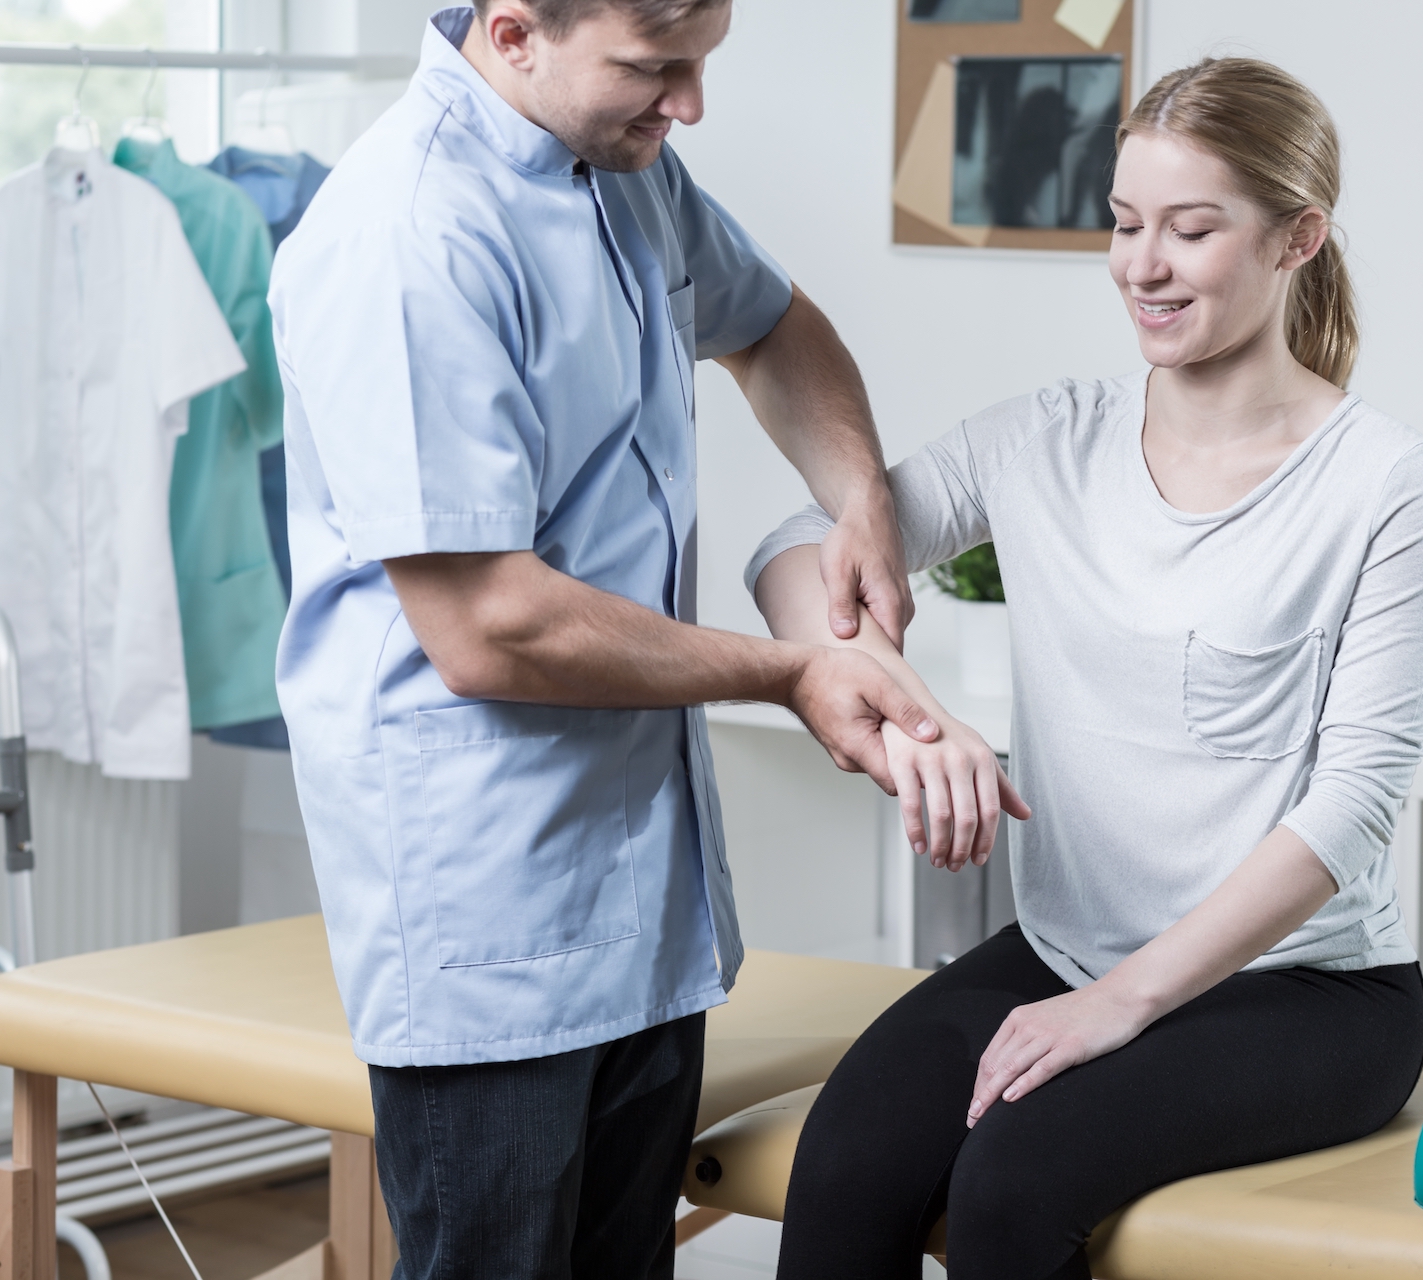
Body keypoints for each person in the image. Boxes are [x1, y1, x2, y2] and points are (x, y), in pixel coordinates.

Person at [748, 57, 1423, 1280]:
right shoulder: (1042, 439)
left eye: (1191, 229)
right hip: (1063, 946)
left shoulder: (1385, 482)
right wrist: (895, 699)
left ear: (1299, 237)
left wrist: (1123, 1002)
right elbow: (796, 552)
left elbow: (1353, 809)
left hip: (1309, 991)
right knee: (848, 1164)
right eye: (1125, 224)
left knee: (1013, 1193)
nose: (1142, 264)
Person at [268, 2, 940, 1275]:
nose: (689, 106)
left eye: (702, 63)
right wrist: (792, 669)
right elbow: (492, 625)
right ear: (515, 31)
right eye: (656, 70)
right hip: (493, 923)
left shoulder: (624, 169)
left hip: (646, 909)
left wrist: (860, 497)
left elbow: (775, 326)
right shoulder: (409, 235)